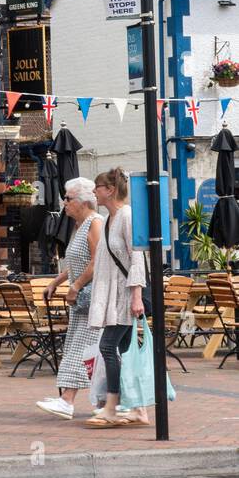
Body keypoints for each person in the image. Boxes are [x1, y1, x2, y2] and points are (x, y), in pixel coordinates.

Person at [86, 167, 149, 428]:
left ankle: (111, 407)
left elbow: (137, 257)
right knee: (123, 349)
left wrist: (137, 296)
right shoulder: (110, 219)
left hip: (123, 295)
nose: (94, 191)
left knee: (107, 347)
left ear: (109, 190)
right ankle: (139, 409)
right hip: (113, 295)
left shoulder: (127, 216)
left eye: (97, 187)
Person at [36, 178, 103, 419]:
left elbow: (97, 262)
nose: (64, 203)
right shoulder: (80, 225)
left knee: (82, 349)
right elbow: (77, 262)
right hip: (83, 299)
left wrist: (75, 286)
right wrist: (56, 281)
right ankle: (107, 402)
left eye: (68, 199)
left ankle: (67, 400)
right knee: (92, 350)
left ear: (83, 201)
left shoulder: (95, 223)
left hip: (91, 298)